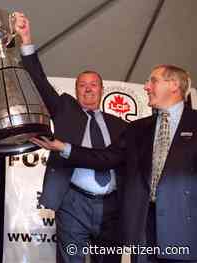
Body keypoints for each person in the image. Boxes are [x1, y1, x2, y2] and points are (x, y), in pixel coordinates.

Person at [32, 65, 196, 263]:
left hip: (183, 226)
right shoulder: (138, 128)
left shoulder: (191, 123)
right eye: (82, 85)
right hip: (141, 225)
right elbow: (105, 158)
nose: (146, 86)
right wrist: (62, 147)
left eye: (153, 81)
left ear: (174, 85)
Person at [14, 13, 127, 263]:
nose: (88, 88)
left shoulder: (120, 125)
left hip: (112, 207)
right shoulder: (65, 108)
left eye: (93, 84)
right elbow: (39, 81)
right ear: (76, 91)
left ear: (102, 89)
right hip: (73, 203)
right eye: (82, 85)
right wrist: (26, 39)